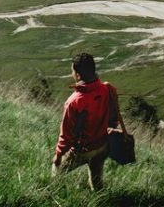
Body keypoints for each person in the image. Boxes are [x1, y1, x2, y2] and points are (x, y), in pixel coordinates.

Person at [51, 52, 119, 191]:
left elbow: (66, 136)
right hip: (102, 146)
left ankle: (52, 193)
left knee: (56, 174)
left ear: (77, 74)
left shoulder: (74, 102)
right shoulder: (108, 89)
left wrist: (58, 156)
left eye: (72, 71)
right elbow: (114, 116)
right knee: (97, 181)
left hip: (82, 150)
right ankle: (100, 200)